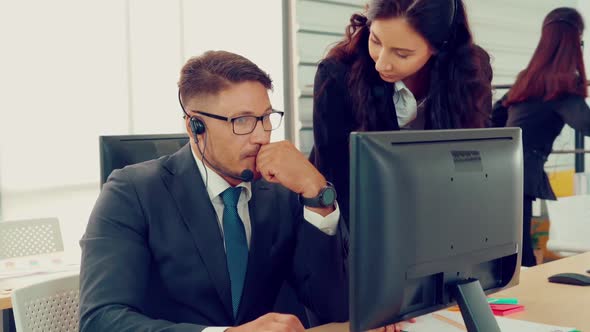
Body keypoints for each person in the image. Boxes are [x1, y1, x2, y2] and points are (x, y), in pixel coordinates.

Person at [79, 50, 349, 331]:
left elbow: (335, 307)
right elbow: (100, 321)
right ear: (195, 126)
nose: (262, 136)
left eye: (266, 117)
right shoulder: (131, 193)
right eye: (241, 121)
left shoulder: (282, 191)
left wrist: (317, 194)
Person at [309, 0, 493, 225]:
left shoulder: (472, 72)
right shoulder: (337, 76)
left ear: (439, 47)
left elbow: (474, 163)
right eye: (375, 40)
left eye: (402, 54)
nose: (382, 64)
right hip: (360, 221)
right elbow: (334, 179)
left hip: (441, 217)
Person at [491, 7, 590, 267]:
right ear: (575, 41)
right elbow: (586, 124)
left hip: (500, 165)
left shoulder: (528, 79)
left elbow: (494, 117)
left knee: (511, 247)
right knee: (519, 251)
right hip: (522, 169)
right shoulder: (563, 85)